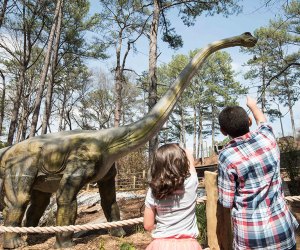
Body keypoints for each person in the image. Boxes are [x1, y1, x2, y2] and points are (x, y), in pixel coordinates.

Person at [218, 96, 299, 250]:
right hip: (283, 231)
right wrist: (253, 105)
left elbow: (226, 201)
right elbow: (262, 120)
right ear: (249, 121)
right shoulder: (267, 137)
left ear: (223, 131)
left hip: (250, 239)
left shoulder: (226, 156)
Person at [143, 143, 202, 250]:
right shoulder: (191, 183)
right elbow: (191, 164)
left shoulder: (153, 190)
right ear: (182, 161)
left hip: (160, 245)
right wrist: (184, 151)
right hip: (188, 245)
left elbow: (148, 225)